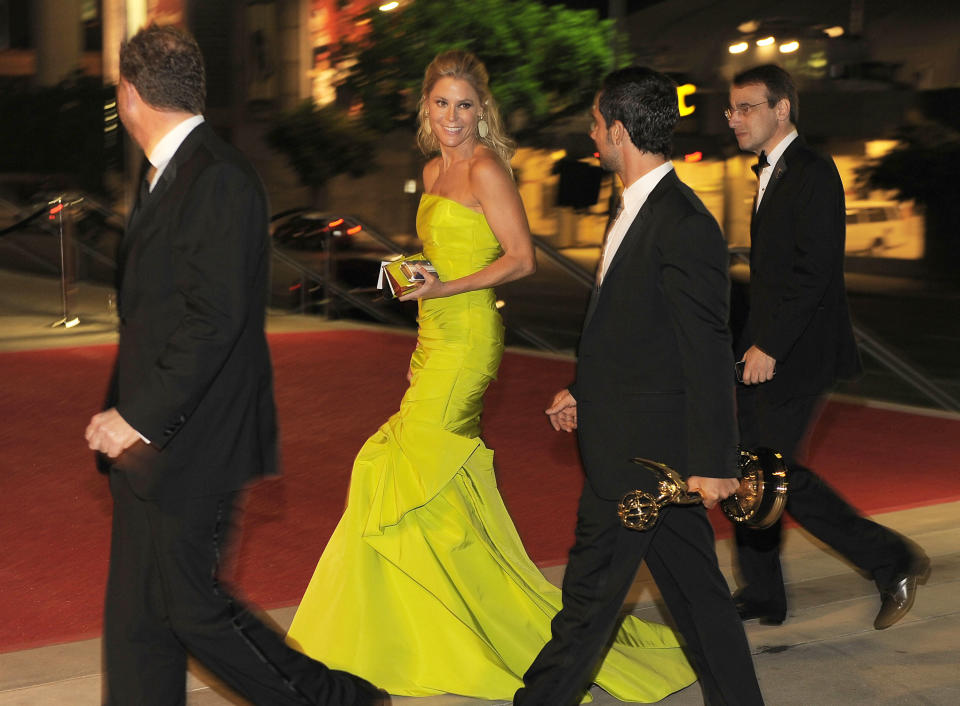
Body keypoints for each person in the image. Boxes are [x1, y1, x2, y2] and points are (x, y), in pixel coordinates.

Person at [286, 51, 697, 702]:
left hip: (469, 337)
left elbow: (520, 259)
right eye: (442, 103)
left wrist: (449, 284)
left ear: (483, 111)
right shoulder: (430, 168)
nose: (453, 116)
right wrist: (412, 273)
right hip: (433, 332)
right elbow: (446, 251)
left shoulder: (485, 167)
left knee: (389, 466)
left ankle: (419, 626)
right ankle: (430, 620)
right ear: (426, 107)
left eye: (465, 105)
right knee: (428, 484)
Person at [84, 25, 388, 705]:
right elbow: (152, 316)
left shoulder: (218, 177)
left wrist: (136, 414)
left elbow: (212, 321)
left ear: (129, 95)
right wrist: (123, 417)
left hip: (200, 437)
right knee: (138, 613)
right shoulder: (163, 171)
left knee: (194, 609)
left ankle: (342, 701)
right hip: (148, 440)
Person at [516, 67, 765, 706]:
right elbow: (637, 331)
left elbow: (707, 348)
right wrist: (585, 390)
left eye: (597, 126)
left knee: (590, 600)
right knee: (698, 597)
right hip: (636, 438)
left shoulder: (683, 223)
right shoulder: (631, 207)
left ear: (620, 131)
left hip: (644, 455)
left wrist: (713, 462)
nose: (593, 137)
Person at [725, 64, 929, 630]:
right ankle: (764, 592)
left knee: (774, 472)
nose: (734, 118)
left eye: (746, 107)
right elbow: (771, 278)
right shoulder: (771, 173)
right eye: (731, 109)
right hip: (762, 351)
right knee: (746, 463)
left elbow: (814, 273)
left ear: (781, 108)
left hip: (797, 353)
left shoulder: (814, 172)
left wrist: (769, 345)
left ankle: (892, 559)